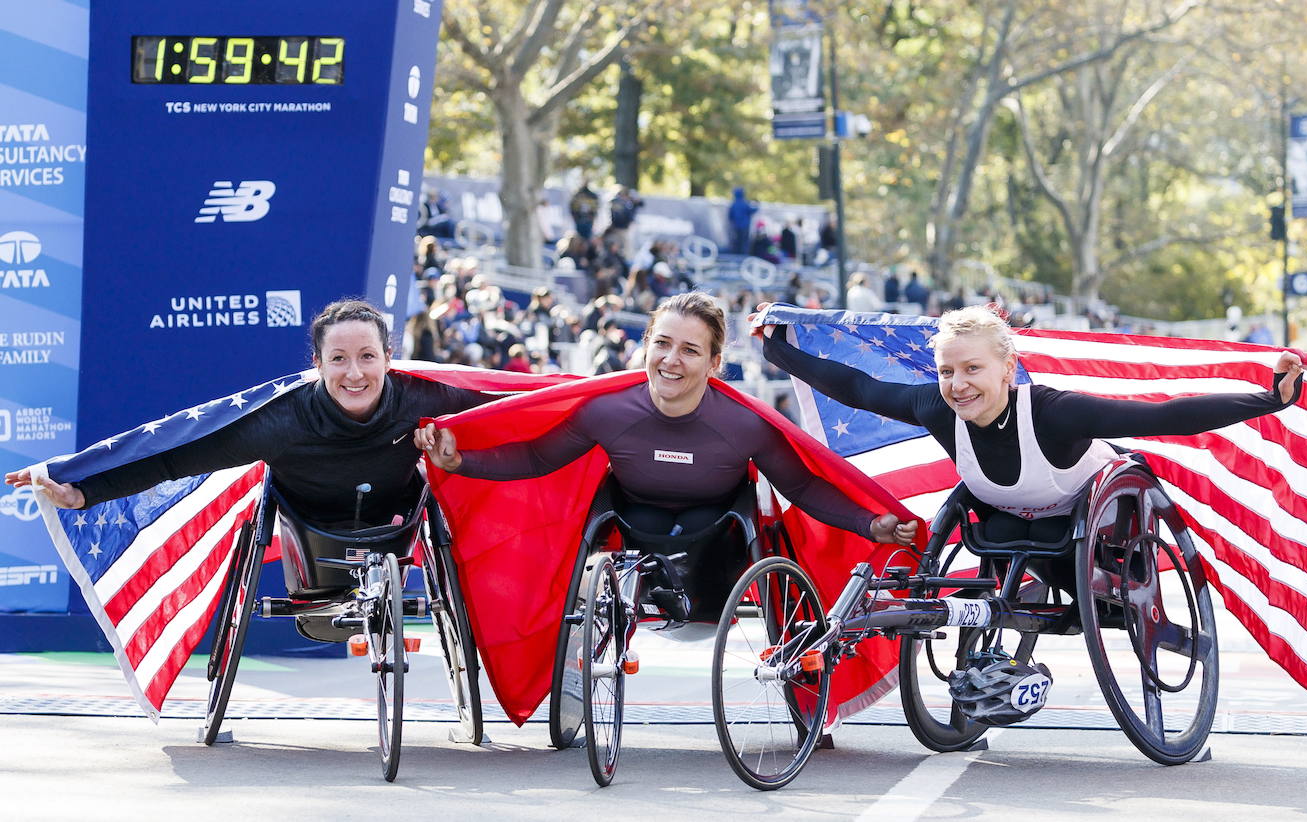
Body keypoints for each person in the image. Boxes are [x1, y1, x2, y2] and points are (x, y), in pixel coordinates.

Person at [753, 303, 1307, 561]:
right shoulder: (937, 407)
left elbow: (1161, 416)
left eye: (972, 369)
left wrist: (1268, 398)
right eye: (947, 371)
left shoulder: (1052, 411)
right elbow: (858, 388)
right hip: (1006, 520)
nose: (958, 384)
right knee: (997, 541)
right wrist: (776, 346)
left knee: (1059, 555)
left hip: (1097, 531)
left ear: (1006, 367)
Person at [417, 292, 919, 557]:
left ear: (715, 363)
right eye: (662, 344)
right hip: (633, 525)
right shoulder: (605, 410)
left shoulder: (746, 425)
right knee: (629, 527)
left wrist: (868, 524)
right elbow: (536, 457)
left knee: (724, 528)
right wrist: (462, 460)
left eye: (690, 350)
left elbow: (803, 485)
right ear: (645, 347)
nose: (671, 360)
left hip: (720, 535)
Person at [6, 300, 498, 526]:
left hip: (396, 513)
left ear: (389, 359)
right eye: (339, 360)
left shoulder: (425, 399)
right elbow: (174, 456)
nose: (355, 374)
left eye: (368, 357)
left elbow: (513, 412)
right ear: (317, 365)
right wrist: (84, 488)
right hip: (306, 517)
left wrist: (458, 461)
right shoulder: (280, 419)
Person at [727, 187, 758, 255]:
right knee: (744, 241)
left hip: (736, 226)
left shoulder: (734, 204)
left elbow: (730, 216)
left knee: (737, 240)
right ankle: (743, 254)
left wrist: (733, 223)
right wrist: (757, 206)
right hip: (744, 226)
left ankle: (736, 253)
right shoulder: (745, 203)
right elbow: (751, 210)